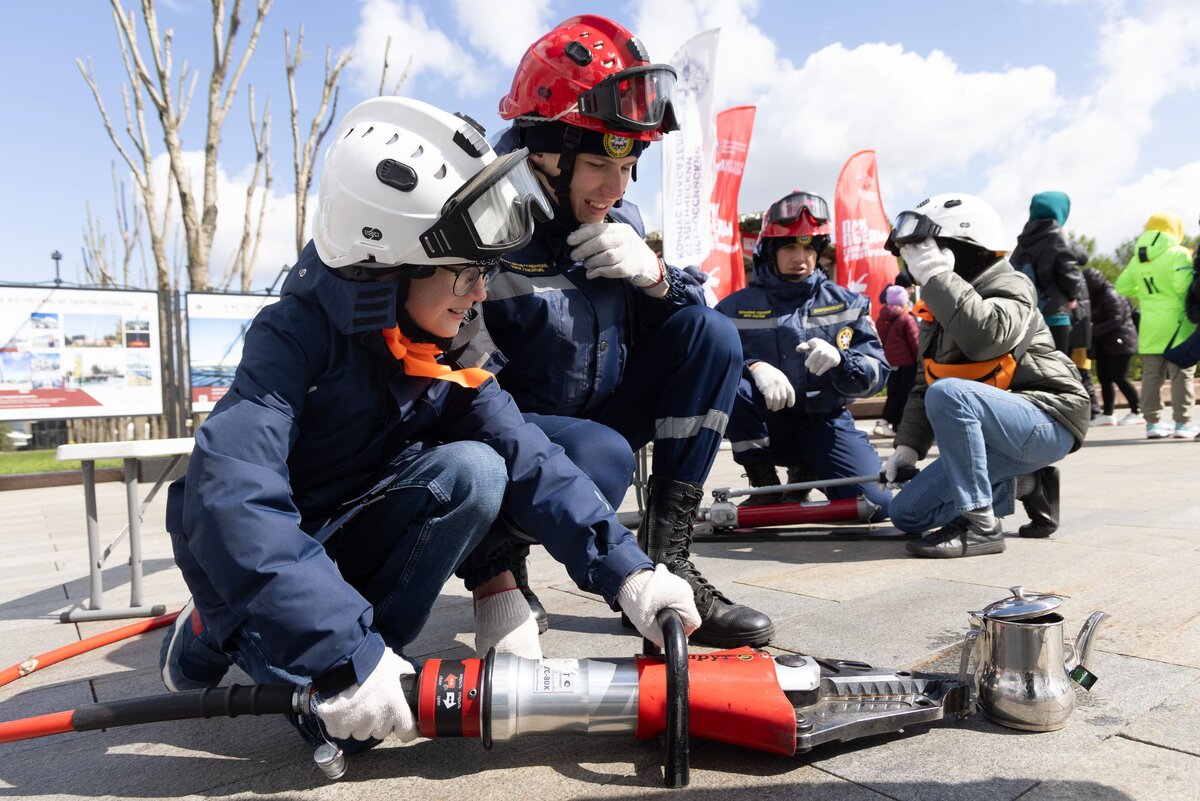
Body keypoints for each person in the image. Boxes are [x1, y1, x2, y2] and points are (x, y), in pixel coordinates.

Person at [157, 97, 701, 752]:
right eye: (469, 272)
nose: (480, 295)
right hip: (257, 557)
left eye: (487, 272)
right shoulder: (291, 339)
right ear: (387, 263)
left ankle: (359, 642)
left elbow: (525, 449)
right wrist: (342, 651)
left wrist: (628, 571)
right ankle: (208, 636)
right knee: (346, 714)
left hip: (346, 536)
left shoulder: (447, 334)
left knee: (476, 470)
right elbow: (233, 506)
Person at [475, 15, 772, 648]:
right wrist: (489, 577)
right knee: (599, 458)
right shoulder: (478, 225)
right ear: (544, 152)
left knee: (710, 333)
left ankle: (671, 564)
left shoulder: (619, 215)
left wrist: (658, 278)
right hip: (504, 428)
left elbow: (683, 323)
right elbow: (453, 390)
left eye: (631, 165)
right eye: (600, 167)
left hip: (599, 414)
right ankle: (501, 561)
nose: (616, 189)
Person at [882, 193, 1091, 556]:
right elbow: (924, 381)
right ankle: (1025, 483)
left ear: (968, 244)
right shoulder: (936, 301)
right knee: (907, 514)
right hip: (997, 429)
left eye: (930, 249)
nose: (918, 264)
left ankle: (981, 524)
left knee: (948, 393)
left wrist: (938, 278)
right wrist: (907, 449)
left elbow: (986, 338)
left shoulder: (1011, 285)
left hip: (1048, 417)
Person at [715, 190, 891, 520]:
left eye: (809, 247)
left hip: (825, 422)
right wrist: (754, 366)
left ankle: (807, 471)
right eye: (790, 247)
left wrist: (844, 361)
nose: (801, 257)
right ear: (770, 250)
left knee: (875, 505)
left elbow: (879, 370)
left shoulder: (848, 303)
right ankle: (763, 484)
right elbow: (710, 364)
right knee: (733, 384)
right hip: (768, 427)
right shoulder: (733, 307)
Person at [1115, 212, 1197, 439]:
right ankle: (1183, 424)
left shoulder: (1137, 258)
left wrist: (1144, 293)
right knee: (1181, 374)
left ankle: (1153, 424)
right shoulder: (1178, 253)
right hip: (1178, 325)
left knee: (1152, 376)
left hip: (1150, 325)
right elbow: (1183, 287)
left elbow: (1122, 287)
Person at [1010, 191, 1085, 355]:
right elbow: (1069, 271)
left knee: (1035, 365)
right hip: (1055, 313)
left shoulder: (1023, 239)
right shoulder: (1057, 236)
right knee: (1059, 366)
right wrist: (1073, 296)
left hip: (1028, 314)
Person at [1084, 267, 1142, 426]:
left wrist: (1092, 330)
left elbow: (1116, 320)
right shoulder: (1097, 296)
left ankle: (1138, 410)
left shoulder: (1111, 295)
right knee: (1104, 378)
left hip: (1121, 343)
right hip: (1107, 344)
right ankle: (1108, 414)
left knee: (1120, 377)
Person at [875, 284, 920, 438]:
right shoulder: (906, 319)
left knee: (894, 393)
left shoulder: (882, 319)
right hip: (908, 364)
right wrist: (921, 360)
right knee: (908, 394)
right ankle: (901, 426)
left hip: (891, 363)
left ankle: (890, 424)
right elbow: (916, 342)